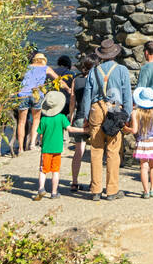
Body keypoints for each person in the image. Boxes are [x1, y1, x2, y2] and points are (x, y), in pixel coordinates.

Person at [83, 38, 133, 201]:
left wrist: (85, 117)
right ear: (114, 54)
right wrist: (128, 116)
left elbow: (87, 96)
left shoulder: (93, 71)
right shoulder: (122, 70)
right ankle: (112, 190)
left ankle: (95, 189)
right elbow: (127, 95)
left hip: (96, 109)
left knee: (96, 151)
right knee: (113, 151)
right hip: (114, 111)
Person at [13, 52, 55, 156]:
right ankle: (32, 144)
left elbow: (17, 78)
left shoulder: (26, 67)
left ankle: (21, 149)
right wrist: (68, 89)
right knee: (36, 119)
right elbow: (57, 79)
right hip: (36, 95)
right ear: (43, 60)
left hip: (23, 95)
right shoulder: (46, 68)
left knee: (21, 122)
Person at [128, 86, 153, 198]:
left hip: (143, 141)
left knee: (143, 167)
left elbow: (134, 130)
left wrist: (126, 129)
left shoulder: (135, 113)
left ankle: (145, 192)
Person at [33, 90, 70, 201]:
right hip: (57, 149)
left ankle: (41, 188)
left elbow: (39, 132)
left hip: (46, 149)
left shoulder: (44, 119)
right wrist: (84, 130)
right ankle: (54, 193)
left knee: (43, 170)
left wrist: (32, 143)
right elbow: (70, 129)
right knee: (55, 171)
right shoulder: (62, 118)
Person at [69, 56, 96, 192]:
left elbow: (73, 101)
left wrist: (71, 117)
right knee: (95, 152)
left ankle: (74, 182)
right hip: (93, 117)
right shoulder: (95, 80)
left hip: (79, 117)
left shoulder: (76, 80)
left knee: (78, 152)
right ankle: (93, 182)